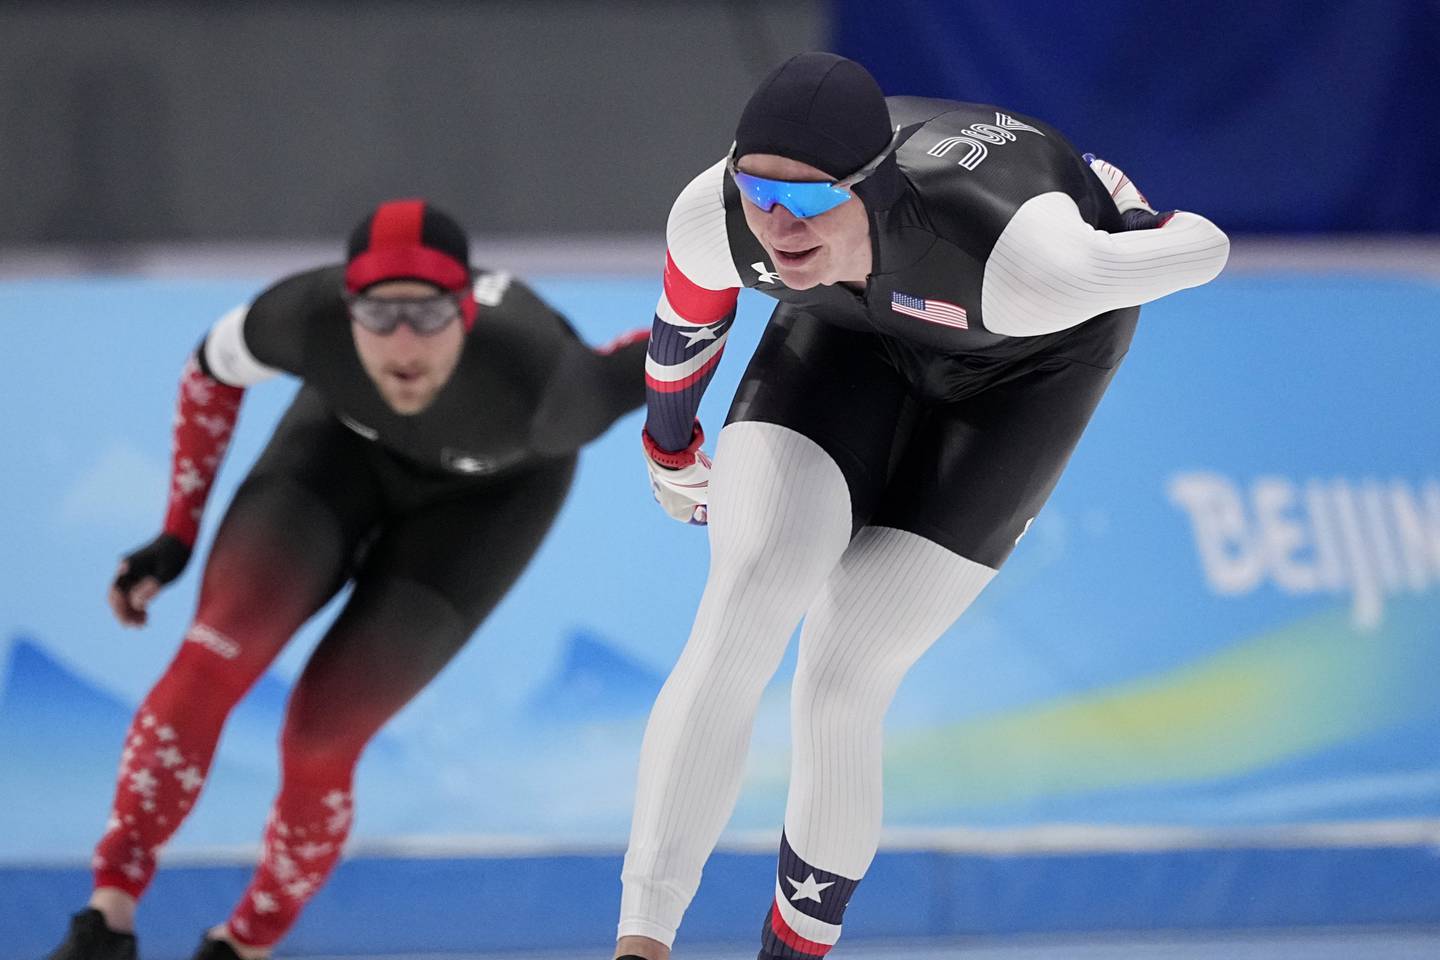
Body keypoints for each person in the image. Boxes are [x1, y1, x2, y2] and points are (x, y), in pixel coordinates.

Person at [614, 52, 1229, 960]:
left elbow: (1204, 246)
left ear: (873, 185)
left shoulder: (1032, 263)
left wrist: (1120, 206)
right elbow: (683, 334)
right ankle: (639, 946)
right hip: (849, 331)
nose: (778, 223)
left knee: (842, 675)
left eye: (813, 200)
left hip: (1023, 363)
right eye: (759, 191)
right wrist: (669, 448)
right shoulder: (718, 219)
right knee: (745, 598)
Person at [42, 199, 647, 960]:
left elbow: (669, 346)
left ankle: (245, 944)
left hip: (486, 505)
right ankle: (108, 917)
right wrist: (177, 531)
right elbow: (208, 373)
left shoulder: (549, 388)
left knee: (322, 736)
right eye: (378, 314)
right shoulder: (304, 317)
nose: (401, 343)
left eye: (426, 315)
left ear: (465, 310)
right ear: (345, 306)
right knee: (212, 658)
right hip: (336, 455)